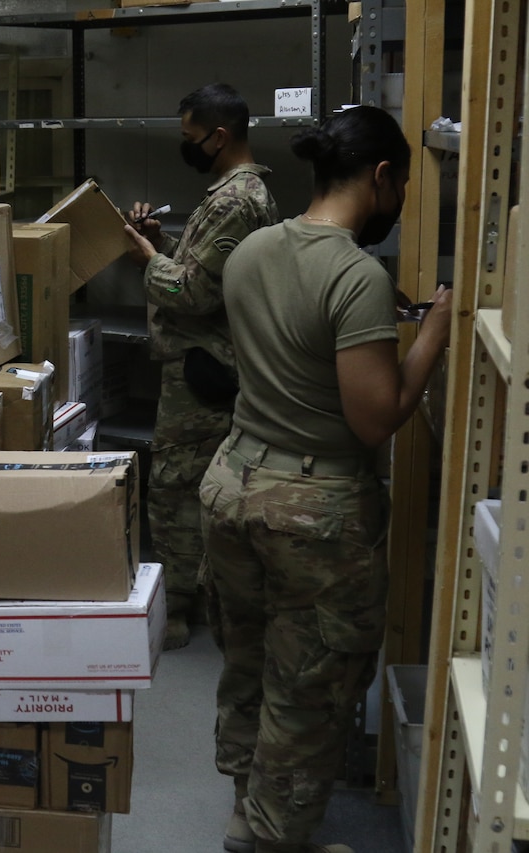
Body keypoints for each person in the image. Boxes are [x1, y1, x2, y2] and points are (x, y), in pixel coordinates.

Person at [199, 105, 452, 853]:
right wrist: (432, 334)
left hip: (234, 482)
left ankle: (251, 812)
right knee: (309, 684)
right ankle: (276, 840)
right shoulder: (355, 275)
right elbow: (376, 418)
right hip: (312, 509)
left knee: (248, 663)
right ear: (380, 177)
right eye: (402, 185)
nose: (400, 201)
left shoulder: (251, 250)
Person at [123, 83, 279, 650]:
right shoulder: (237, 195)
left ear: (219, 137)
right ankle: (201, 596)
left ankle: (185, 603)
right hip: (209, 362)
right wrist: (162, 243)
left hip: (204, 367)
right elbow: (208, 270)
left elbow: (192, 294)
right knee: (194, 482)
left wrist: (147, 257)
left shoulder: (235, 201)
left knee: (175, 485)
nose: (186, 147)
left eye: (191, 138)